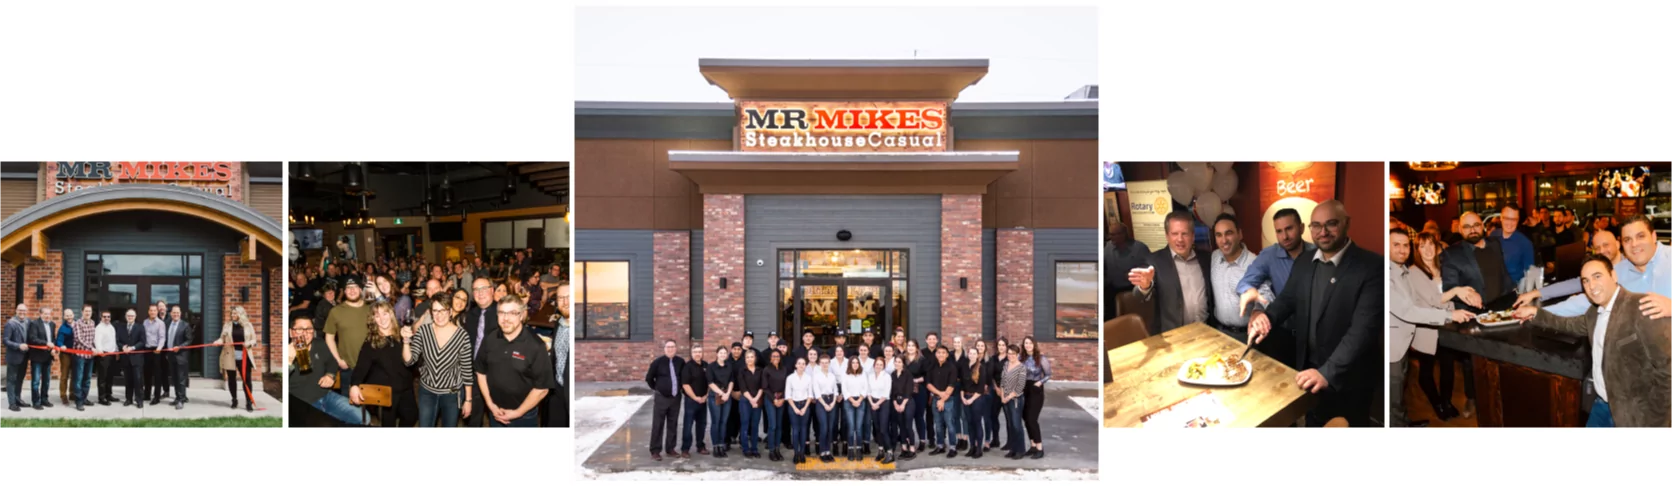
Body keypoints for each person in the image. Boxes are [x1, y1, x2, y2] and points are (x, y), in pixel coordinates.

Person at [1247, 200, 1383, 427]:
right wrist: (1266, 318)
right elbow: (1287, 299)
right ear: (1309, 228)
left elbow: (1362, 331)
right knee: (1314, 422)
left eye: (1331, 224)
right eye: (1316, 225)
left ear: (1346, 223)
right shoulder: (1304, 262)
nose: (1323, 232)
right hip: (1309, 370)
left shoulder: (1372, 266)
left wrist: (1328, 372)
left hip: (1349, 379)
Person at [1511, 254, 1672, 427]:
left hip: (1635, 416)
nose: (1591, 286)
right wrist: (1536, 313)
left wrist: (1657, 423)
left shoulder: (1642, 307)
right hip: (1602, 405)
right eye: (1585, 281)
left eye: (1597, 276)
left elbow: (1667, 373)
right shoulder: (1594, 312)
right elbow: (1570, 324)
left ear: (1613, 276)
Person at [1388, 229, 1477, 426]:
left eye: (1405, 245)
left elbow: (1449, 298)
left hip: (1445, 326)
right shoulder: (1411, 272)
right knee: (1424, 372)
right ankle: (1436, 404)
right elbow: (1424, 304)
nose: (1427, 250)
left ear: (1438, 248)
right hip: (1424, 329)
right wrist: (1454, 296)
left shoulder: (1443, 268)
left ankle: (1443, 402)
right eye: (1422, 246)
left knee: (1447, 368)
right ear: (1418, 250)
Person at [1440, 211, 1507, 417]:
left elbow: (1502, 274)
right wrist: (1467, 295)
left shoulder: (1495, 245)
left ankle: (1500, 393)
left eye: (1476, 225)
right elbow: (1450, 287)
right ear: (1460, 230)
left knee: (1502, 355)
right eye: (1467, 227)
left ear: (1483, 227)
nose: (1472, 230)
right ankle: (1472, 397)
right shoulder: (1451, 254)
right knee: (1472, 361)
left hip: (1500, 309)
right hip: (1472, 314)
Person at [1130, 210, 1215, 333]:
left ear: (1193, 236)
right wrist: (1145, 286)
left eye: (1184, 234)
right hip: (1173, 335)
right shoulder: (1154, 261)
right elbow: (1138, 296)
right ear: (1167, 236)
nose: (1180, 239)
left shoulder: (1206, 258)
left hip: (1207, 330)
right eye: (1174, 233)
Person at [476, 296, 555, 427]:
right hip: (495, 411)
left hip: (524, 416)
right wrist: (490, 404)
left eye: (512, 313)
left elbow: (542, 388)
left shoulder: (536, 346)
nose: (506, 318)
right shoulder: (490, 338)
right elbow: (481, 372)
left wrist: (518, 412)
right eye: (501, 313)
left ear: (522, 315)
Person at [404, 296, 474, 427]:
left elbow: (467, 371)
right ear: (431, 312)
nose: (439, 315)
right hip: (427, 392)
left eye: (443, 310)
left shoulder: (462, 336)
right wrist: (406, 341)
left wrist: (468, 400)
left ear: (450, 312)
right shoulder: (423, 331)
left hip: (451, 394)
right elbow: (409, 361)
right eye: (435, 311)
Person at [345, 302, 416, 426]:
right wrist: (354, 385)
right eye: (377, 316)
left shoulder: (402, 334)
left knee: (411, 416)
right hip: (386, 391)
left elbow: (412, 361)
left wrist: (408, 341)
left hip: (406, 388)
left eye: (385, 314)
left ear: (391, 314)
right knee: (388, 426)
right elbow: (361, 367)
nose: (382, 319)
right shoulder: (371, 342)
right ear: (373, 319)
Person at [1209, 214, 1275, 343]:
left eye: (1229, 233)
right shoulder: (1214, 258)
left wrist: (1258, 310)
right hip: (1218, 332)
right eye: (1218, 235)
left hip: (1246, 334)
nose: (1224, 240)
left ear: (1240, 234)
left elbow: (1267, 294)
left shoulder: (1254, 262)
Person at [288, 316, 365, 425]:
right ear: (291, 332)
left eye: (309, 329)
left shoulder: (319, 344)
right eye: (300, 329)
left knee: (363, 418)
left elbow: (332, 362)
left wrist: (330, 375)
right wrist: (288, 361)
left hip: (326, 396)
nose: (305, 333)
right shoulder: (285, 352)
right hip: (303, 404)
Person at [325, 278, 373, 399]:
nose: (352, 290)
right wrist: (338, 360)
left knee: (372, 401)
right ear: (344, 292)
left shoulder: (371, 309)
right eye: (348, 288)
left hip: (371, 366)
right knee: (348, 404)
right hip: (348, 366)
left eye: (355, 287)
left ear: (361, 290)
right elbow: (329, 337)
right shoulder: (335, 311)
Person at [462, 277, 499, 427]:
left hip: (496, 375)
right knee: (473, 419)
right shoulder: (471, 315)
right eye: (476, 290)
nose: (480, 293)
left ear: (492, 290)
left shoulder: (503, 312)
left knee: (498, 416)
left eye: (484, 288)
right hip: (474, 373)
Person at [212, 306, 260, 412]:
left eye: (235, 313)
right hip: (230, 356)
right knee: (232, 379)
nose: (232, 315)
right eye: (232, 314)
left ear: (241, 314)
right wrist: (218, 342)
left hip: (244, 356)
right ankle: (234, 400)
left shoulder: (248, 325)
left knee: (246, 380)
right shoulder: (227, 325)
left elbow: (254, 340)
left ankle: (249, 402)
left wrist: (248, 343)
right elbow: (222, 338)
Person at [645, 340, 683, 461]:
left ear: (676, 348)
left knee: (673, 424)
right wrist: (658, 389)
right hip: (662, 398)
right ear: (664, 348)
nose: (670, 349)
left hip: (675, 398)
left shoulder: (680, 362)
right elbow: (649, 378)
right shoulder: (657, 362)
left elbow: (683, 377)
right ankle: (655, 450)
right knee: (658, 424)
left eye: (672, 347)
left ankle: (670, 448)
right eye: (668, 347)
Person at [1104, 221, 1152, 318]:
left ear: (1124, 234)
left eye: (1115, 234)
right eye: (1110, 234)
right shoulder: (1108, 247)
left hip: (1132, 289)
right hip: (1111, 289)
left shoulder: (1140, 248)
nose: (1111, 238)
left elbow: (1149, 268)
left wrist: (1134, 274)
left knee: (1134, 316)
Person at [1019, 336, 1050, 457]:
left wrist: (1040, 382)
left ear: (1034, 344)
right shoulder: (1021, 358)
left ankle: (1040, 448)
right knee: (1025, 418)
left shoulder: (1041, 358)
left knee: (1032, 419)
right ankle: (1032, 445)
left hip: (1036, 389)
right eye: (1025, 343)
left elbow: (1048, 374)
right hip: (1024, 388)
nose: (1028, 345)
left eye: (1030, 343)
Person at [1492, 203, 1537, 286]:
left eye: (1514, 219)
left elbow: (1530, 275)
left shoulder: (1525, 243)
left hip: (1513, 291)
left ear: (1518, 220)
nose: (1510, 223)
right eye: (1506, 218)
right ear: (1501, 218)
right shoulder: (1493, 235)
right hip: (1492, 288)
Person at [926, 345, 958, 457]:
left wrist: (943, 400)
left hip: (948, 400)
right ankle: (940, 446)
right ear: (936, 354)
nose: (940, 354)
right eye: (939, 352)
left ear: (947, 355)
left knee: (950, 424)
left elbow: (951, 386)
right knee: (938, 425)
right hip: (936, 399)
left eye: (943, 353)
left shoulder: (951, 367)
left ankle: (953, 447)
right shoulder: (932, 366)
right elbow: (928, 384)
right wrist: (939, 396)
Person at [678, 344, 710, 457]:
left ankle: (700, 446)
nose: (698, 354)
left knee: (702, 424)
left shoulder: (706, 365)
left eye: (700, 352)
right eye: (695, 352)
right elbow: (685, 385)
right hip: (691, 401)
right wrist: (695, 397)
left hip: (703, 400)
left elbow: (709, 383)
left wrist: (705, 396)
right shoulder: (687, 367)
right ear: (692, 353)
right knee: (688, 425)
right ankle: (685, 448)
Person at [999, 344, 1028, 459]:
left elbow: (1020, 386)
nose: (1010, 356)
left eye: (1013, 354)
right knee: (1010, 425)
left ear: (1017, 355)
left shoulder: (1021, 367)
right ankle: (1013, 449)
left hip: (1015, 399)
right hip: (1005, 399)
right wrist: (1002, 396)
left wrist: (1009, 396)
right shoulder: (1006, 364)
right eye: (1009, 353)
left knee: (1017, 425)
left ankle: (1020, 450)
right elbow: (1002, 381)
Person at [839, 351, 869, 461]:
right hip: (849, 402)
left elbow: (865, 389)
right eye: (853, 362)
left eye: (857, 362)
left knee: (859, 427)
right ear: (850, 364)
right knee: (851, 427)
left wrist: (859, 400)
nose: (855, 364)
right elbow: (844, 390)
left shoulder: (863, 374)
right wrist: (853, 401)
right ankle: (851, 449)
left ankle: (859, 449)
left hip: (861, 401)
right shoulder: (845, 375)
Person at [549, 281, 571, 427]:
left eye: (569, 296)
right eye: (561, 298)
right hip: (557, 391)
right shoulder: (559, 324)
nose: (565, 302)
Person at [705, 345, 734, 457]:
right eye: (720, 353)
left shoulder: (729, 366)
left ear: (727, 355)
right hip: (715, 396)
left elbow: (732, 380)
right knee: (716, 422)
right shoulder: (711, 367)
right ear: (717, 354)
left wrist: (727, 393)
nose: (723, 355)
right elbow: (710, 382)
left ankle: (721, 445)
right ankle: (715, 446)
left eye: (724, 353)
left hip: (727, 396)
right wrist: (721, 393)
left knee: (723, 422)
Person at [959, 345, 987, 459]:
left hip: (976, 399)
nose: (972, 355)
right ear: (968, 354)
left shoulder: (981, 368)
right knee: (969, 423)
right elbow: (961, 384)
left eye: (974, 353)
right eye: (970, 353)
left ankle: (979, 448)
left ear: (978, 355)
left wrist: (971, 399)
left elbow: (981, 388)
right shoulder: (964, 366)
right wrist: (963, 397)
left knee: (977, 423)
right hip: (965, 398)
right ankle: (972, 447)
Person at [811, 354, 840, 462]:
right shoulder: (816, 376)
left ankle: (828, 451)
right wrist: (825, 404)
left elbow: (835, 391)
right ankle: (822, 452)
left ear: (829, 363)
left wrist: (832, 403)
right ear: (819, 364)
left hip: (831, 400)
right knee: (824, 428)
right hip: (821, 402)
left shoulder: (832, 376)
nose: (824, 364)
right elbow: (817, 393)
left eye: (826, 362)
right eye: (822, 363)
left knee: (830, 428)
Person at [785, 356, 814, 464]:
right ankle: (796, 453)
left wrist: (805, 408)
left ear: (805, 366)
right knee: (795, 430)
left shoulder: (808, 378)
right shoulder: (790, 378)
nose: (801, 365)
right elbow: (788, 395)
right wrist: (795, 408)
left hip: (805, 405)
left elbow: (810, 395)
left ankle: (802, 453)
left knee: (804, 430)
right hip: (793, 405)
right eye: (799, 363)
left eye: (803, 363)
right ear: (795, 365)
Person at [738, 349, 766, 458]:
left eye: (751, 357)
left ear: (755, 358)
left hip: (757, 400)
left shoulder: (760, 370)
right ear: (745, 359)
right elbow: (742, 387)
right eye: (747, 357)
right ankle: (745, 448)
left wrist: (756, 399)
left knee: (755, 425)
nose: (750, 359)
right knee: (745, 424)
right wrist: (751, 399)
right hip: (745, 400)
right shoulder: (742, 370)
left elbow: (762, 386)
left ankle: (754, 448)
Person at [29, 306, 58, 409]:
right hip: (37, 357)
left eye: (49, 314)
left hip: (48, 357)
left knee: (46, 380)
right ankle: (36, 402)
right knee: (36, 381)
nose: (47, 316)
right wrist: (46, 343)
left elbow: (53, 339)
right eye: (45, 314)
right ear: (40, 314)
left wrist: (54, 348)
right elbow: (32, 339)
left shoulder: (52, 324)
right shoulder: (34, 324)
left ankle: (44, 399)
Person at [162, 306, 191, 410]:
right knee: (174, 378)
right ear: (170, 314)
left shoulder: (185, 325)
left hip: (181, 356)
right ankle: (178, 397)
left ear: (180, 313)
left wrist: (180, 347)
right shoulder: (167, 324)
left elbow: (189, 340)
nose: (175, 314)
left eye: (177, 313)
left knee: (181, 379)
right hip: (171, 355)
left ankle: (181, 399)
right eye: (174, 313)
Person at [888, 353, 915, 461]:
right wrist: (895, 403)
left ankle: (912, 448)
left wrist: (903, 404)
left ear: (903, 363)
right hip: (897, 402)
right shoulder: (893, 375)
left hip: (907, 402)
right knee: (901, 426)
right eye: (896, 362)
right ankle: (904, 448)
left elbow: (909, 391)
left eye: (899, 362)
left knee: (908, 425)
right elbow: (892, 392)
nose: (897, 364)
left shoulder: (908, 374)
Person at [763, 349, 788, 462]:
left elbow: (787, 385)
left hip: (781, 399)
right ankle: (771, 450)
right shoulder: (767, 370)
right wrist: (774, 399)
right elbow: (765, 387)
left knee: (779, 426)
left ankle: (777, 449)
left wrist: (782, 399)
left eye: (778, 356)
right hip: (770, 399)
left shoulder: (784, 369)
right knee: (772, 425)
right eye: (773, 356)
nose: (776, 358)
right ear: (770, 358)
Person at [70, 305, 96, 410]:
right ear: (82, 312)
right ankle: (79, 401)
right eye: (86, 311)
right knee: (78, 379)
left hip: (90, 356)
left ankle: (84, 398)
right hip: (79, 356)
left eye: (89, 311)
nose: (88, 313)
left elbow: (93, 338)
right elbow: (78, 339)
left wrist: (95, 348)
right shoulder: (77, 324)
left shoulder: (93, 323)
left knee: (87, 379)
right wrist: (91, 348)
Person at [903, 339, 927, 455]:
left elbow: (926, 376)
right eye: (909, 345)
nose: (911, 347)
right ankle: (908, 440)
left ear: (917, 347)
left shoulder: (922, 360)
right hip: (905, 392)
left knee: (919, 416)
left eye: (913, 345)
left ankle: (922, 441)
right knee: (907, 418)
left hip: (918, 391)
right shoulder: (903, 359)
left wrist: (914, 380)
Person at [5, 304, 30, 412]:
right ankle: (12, 403)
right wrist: (18, 345)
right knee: (11, 380)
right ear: (16, 311)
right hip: (14, 356)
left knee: (20, 379)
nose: (22, 312)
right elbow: (5, 340)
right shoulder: (10, 323)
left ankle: (18, 399)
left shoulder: (28, 322)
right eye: (20, 310)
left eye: (24, 310)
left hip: (24, 356)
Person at [984, 337, 1008, 450]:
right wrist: (996, 388)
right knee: (993, 416)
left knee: (1010, 418)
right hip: (995, 391)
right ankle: (996, 439)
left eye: (1003, 345)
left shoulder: (1009, 358)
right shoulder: (993, 358)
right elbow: (990, 375)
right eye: (999, 345)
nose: (1001, 347)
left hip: (1007, 391)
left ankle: (1011, 441)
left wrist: (1002, 389)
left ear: (1006, 346)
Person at [94, 310, 117, 406]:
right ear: (101, 317)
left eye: (108, 316)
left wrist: (116, 351)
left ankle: (108, 394)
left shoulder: (111, 327)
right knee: (102, 378)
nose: (107, 318)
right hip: (103, 354)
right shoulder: (99, 328)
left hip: (112, 354)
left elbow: (113, 340)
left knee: (109, 377)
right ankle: (102, 397)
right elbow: (97, 341)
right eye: (104, 316)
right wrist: (100, 351)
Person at [55, 308, 75, 407]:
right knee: (64, 375)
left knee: (74, 375)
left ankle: (72, 394)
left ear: (73, 315)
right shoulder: (62, 328)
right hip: (66, 354)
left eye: (70, 315)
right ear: (64, 317)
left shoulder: (77, 325)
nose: (69, 317)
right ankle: (63, 395)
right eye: (67, 315)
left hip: (76, 354)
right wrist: (61, 345)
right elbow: (58, 341)